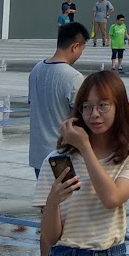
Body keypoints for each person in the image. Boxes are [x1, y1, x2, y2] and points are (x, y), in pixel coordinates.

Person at [35, 70, 129, 256]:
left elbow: (112, 198)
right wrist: (52, 201)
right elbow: (51, 237)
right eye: (86, 106)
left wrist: (85, 148)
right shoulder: (58, 160)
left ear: (119, 107)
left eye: (103, 105)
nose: (94, 114)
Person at [28, 22, 89, 175]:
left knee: (45, 191)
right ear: (75, 46)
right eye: (82, 50)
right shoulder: (74, 77)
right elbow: (80, 118)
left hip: (38, 155)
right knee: (66, 191)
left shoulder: (36, 70)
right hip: (63, 156)